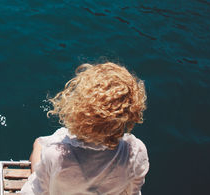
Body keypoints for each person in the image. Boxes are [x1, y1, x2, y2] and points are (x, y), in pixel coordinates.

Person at [21, 62, 149, 195]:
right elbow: (133, 190)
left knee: (39, 144)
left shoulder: (57, 154)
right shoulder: (135, 152)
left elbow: (34, 192)